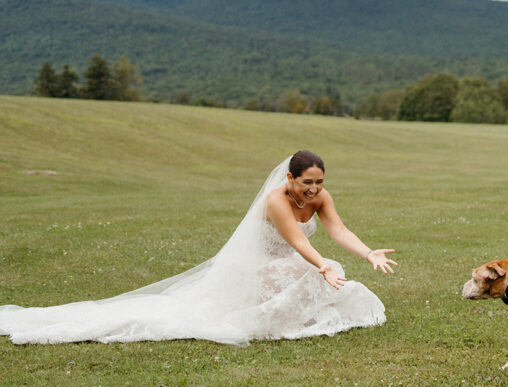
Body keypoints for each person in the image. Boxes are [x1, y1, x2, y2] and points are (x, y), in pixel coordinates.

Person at [0, 150, 396, 344]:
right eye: (306, 183)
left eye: (319, 183)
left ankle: (288, 311)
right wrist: (321, 266)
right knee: (325, 272)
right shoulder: (276, 200)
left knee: (334, 274)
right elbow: (295, 240)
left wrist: (368, 253)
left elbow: (339, 231)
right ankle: (271, 320)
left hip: (288, 264)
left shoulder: (321, 199)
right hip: (255, 267)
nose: (313, 190)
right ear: (290, 178)